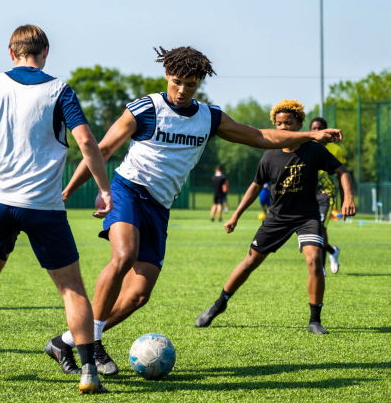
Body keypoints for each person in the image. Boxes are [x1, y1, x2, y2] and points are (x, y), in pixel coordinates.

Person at [47, 47, 344, 376]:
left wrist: (310, 135)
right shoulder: (146, 108)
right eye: (177, 82)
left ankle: (64, 342)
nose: (182, 90)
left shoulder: (209, 117)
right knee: (124, 255)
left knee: (139, 295)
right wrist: (68, 191)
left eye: (190, 84)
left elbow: (260, 135)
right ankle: (92, 345)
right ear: (166, 76)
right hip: (128, 190)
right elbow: (102, 149)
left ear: (199, 83)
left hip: (160, 206)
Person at [0, 25, 112, 394]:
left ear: (12, 53)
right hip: (44, 206)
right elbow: (87, 142)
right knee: (71, 288)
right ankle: (88, 372)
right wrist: (104, 189)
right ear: (45, 52)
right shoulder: (60, 90)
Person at [196, 100, 356, 335]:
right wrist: (236, 216)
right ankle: (218, 305)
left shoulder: (313, 150)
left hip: (307, 216)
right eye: (279, 124)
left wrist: (348, 198)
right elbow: (255, 187)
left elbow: (342, 171)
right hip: (277, 217)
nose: (283, 128)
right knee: (250, 262)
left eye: (288, 123)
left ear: (300, 124)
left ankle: (315, 320)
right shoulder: (269, 156)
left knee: (314, 260)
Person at [309, 117, 346, 274]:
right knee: (312, 231)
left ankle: (321, 267)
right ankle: (332, 251)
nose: (317, 131)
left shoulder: (335, 150)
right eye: (314, 128)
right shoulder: (305, 147)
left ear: (326, 130)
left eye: (320, 128)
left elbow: (342, 175)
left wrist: (344, 200)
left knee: (320, 228)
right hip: (309, 195)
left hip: (326, 195)